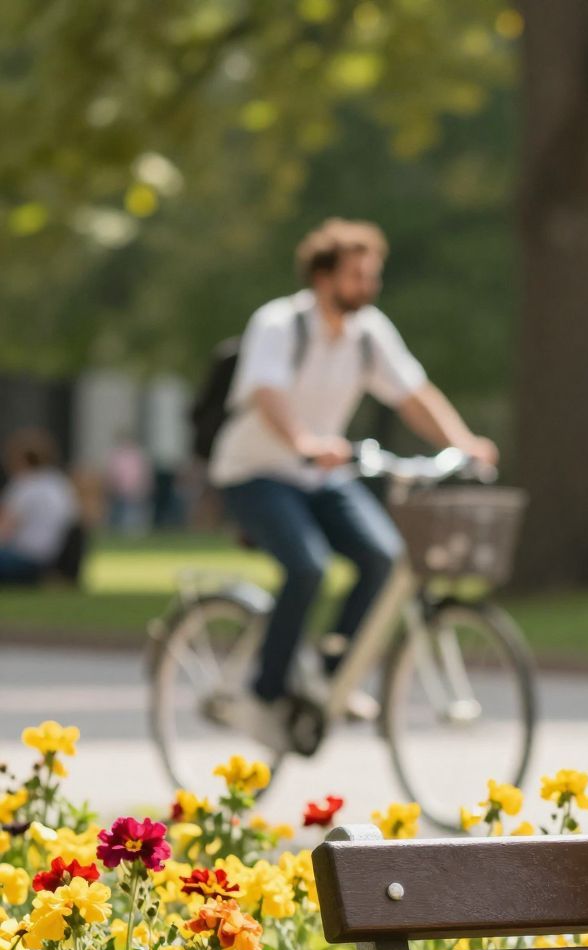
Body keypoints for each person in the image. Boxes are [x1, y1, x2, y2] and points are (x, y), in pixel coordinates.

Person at [209, 218, 496, 748]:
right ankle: (264, 692)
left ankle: (326, 671)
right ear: (323, 278)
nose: (368, 286)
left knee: (385, 558)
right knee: (307, 565)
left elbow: (413, 394)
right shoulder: (278, 324)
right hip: (255, 472)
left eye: (373, 276)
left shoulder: (369, 333)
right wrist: (302, 440)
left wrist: (462, 441)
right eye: (357, 276)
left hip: (321, 474)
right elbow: (266, 393)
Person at [0, 428, 81, 586]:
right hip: (51, 559)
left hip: (26, 558)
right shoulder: (60, 483)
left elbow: (5, 529)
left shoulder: (23, 484)